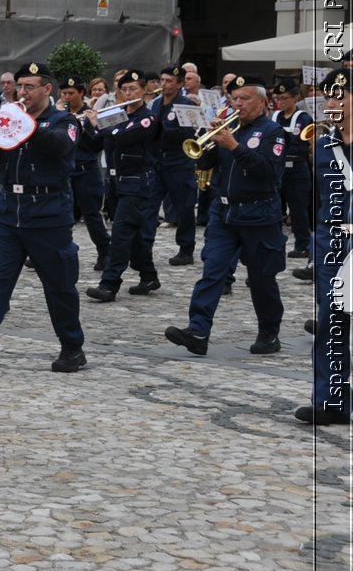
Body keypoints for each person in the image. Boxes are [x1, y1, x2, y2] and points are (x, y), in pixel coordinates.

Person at [0, 62, 86, 372]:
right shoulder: (10, 117)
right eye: (19, 87)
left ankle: (72, 347)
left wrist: (21, 124)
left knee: (59, 285)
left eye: (29, 87)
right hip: (9, 210)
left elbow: (59, 147)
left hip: (48, 212)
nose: (21, 92)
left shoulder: (65, 121)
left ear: (47, 89)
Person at [166, 76, 287, 357]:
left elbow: (268, 170)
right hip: (224, 212)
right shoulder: (227, 129)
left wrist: (234, 146)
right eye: (234, 99)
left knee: (261, 279)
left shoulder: (273, 132)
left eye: (245, 99)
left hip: (259, 214)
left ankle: (269, 332)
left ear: (262, 102)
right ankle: (198, 330)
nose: (238, 104)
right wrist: (205, 146)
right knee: (213, 270)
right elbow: (207, 164)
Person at [300, 69, 351, 424]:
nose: (331, 104)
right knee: (330, 323)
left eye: (339, 97)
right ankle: (330, 401)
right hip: (331, 245)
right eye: (328, 98)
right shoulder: (322, 146)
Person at [85, 71, 163, 302]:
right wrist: (84, 126)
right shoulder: (116, 116)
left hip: (137, 182)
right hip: (116, 182)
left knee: (120, 234)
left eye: (133, 89)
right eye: (124, 89)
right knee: (135, 234)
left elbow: (121, 137)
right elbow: (94, 144)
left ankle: (109, 285)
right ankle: (149, 276)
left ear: (144, 91)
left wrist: (98, 123)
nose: (128, 93)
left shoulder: (148, 118)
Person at [58, 76, 110, 271]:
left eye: (71, 93)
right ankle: (57, 251)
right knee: (62, 214)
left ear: (81, 93)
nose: (67, 97)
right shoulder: (60, 114)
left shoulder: (90, 114)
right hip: (66, 171)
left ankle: (105, 251)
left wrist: (82, 127)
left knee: (91, 215)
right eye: (64, 94)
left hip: (86, 171)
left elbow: (96, 145)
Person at [151, 65, 201, 266]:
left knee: (184, 207)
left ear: (180, 84)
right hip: (157, 161)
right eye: (162, 80)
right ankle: (144, 244)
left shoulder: (186, 104)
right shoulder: (155, 104)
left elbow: (187, 134)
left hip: (179, 162)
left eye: (169, 81)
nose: (164, 84)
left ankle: (186, 249)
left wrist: (159, 129)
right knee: (149, 205)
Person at [272, 80, 313, 259]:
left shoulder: (303, 118)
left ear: (296, 97)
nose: (281, 102)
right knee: (274, 208)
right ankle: (274, 242)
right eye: (279, 98)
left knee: (297, 209)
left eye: (285, 98)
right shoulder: (274, 116)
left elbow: (301, 145)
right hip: (277, 169)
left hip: (296, 169)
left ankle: (302, 244)